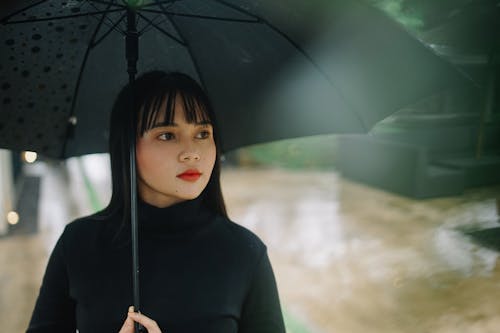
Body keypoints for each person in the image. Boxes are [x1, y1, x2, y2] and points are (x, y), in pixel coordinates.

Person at [27, 71, 285, 333]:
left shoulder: (243, 253)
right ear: (126, 145)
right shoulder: (79, 243)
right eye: (167, 135)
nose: (192, 153)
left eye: (203, 133)